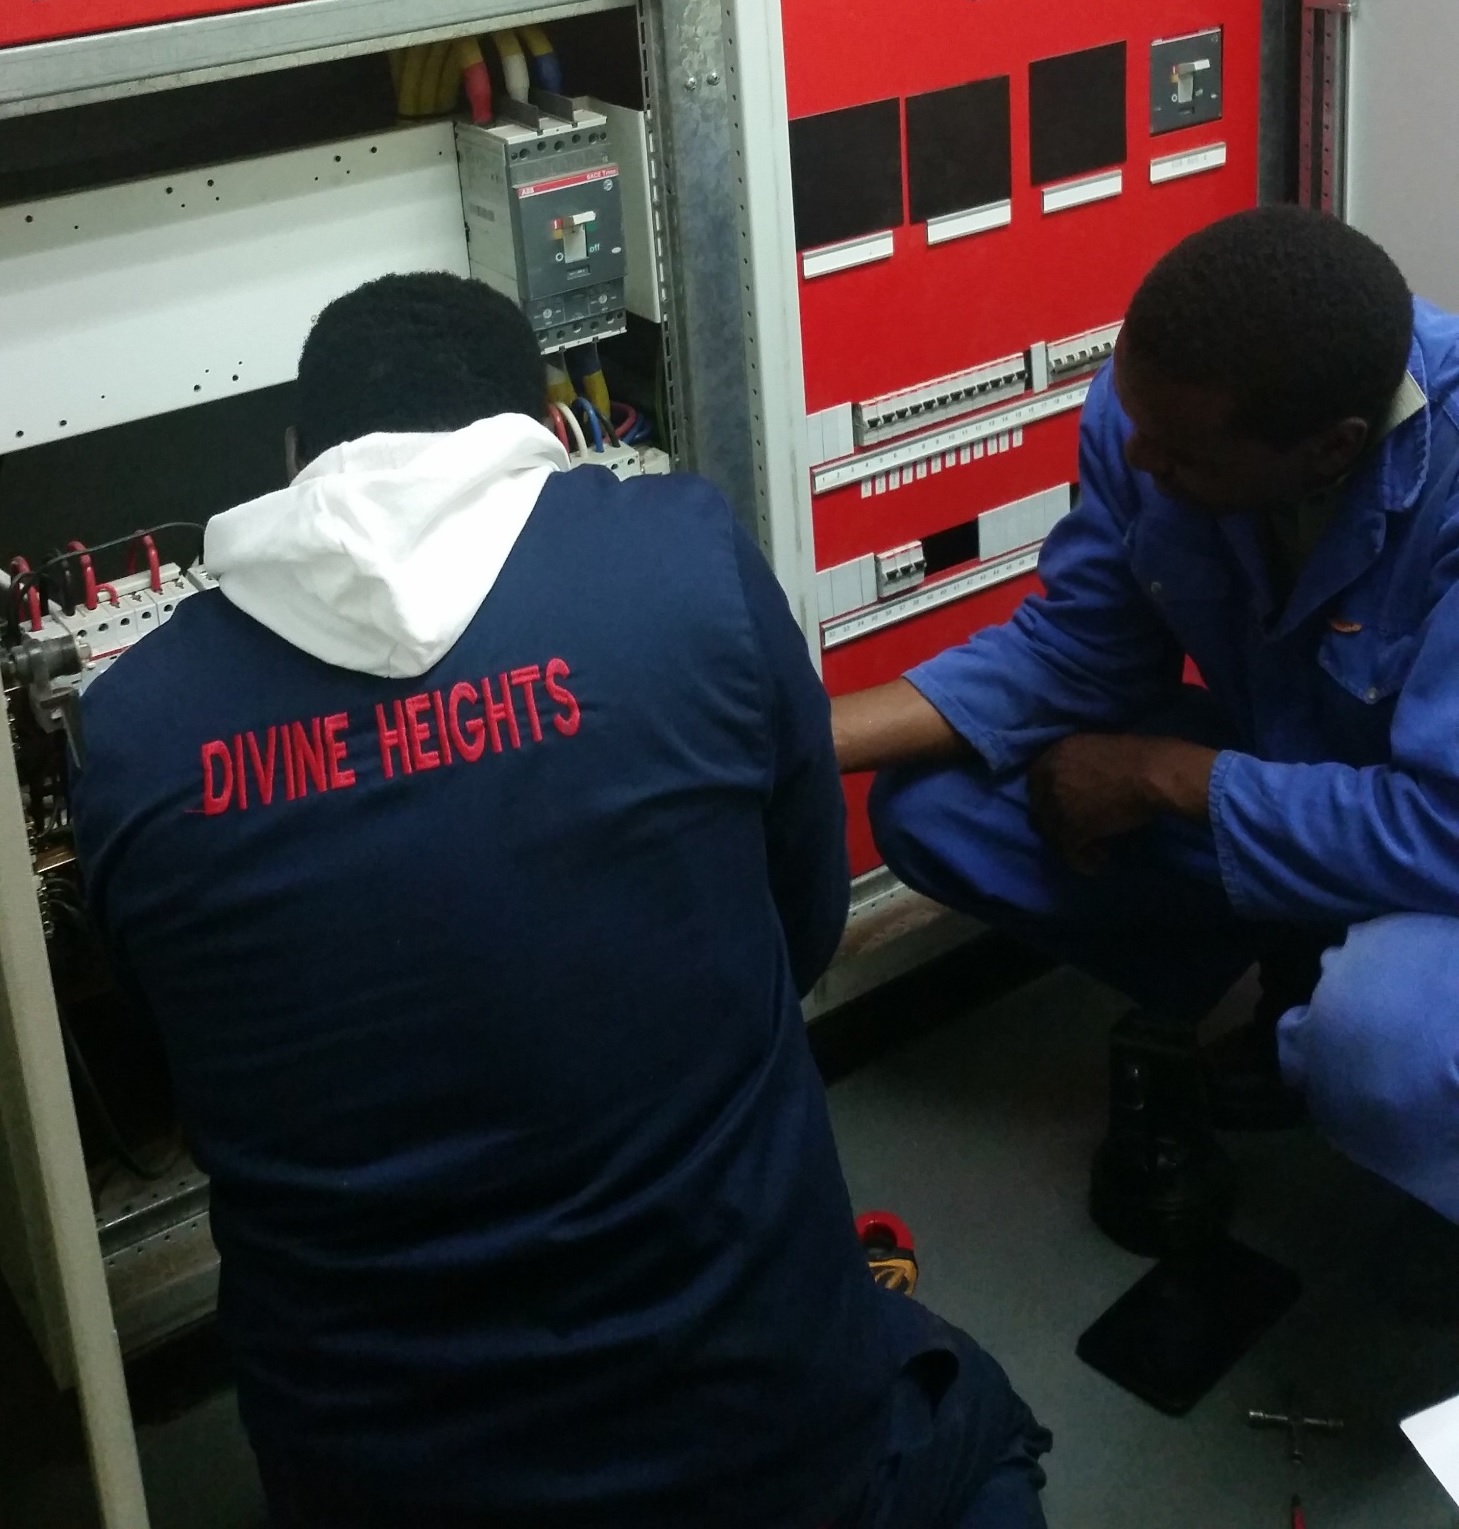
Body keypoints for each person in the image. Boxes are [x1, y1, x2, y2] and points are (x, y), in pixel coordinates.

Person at [70, 273, 1050, 1529]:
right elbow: (801, 924)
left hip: (368, 1479)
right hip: (753, 1436)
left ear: (297, 458)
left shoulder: (134, 729)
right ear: (540, 425)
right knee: (977, 1420)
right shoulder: (683, 556)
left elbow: (185, 1075)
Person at [834, 206, 1459, 1227]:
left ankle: (1343, 1018)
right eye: (1135, 427)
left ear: (1329, 451)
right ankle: (1286, 969)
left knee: (1382, 1042)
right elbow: (1080, 650)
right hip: (1298, 779)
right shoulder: (1159, 416)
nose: (1138, 458)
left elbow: (1442, 829)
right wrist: (791, 738)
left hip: (1434, 845)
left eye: (1178, 458)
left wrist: (1164, 776)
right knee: (939, 804)